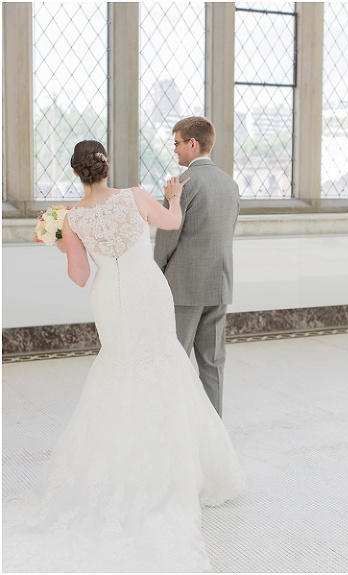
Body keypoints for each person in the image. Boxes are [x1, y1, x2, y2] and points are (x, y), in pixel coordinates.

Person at [2, 141, 245, 572]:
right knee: (163, 363)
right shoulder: (135, 195)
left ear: (77, 174)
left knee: (119, 369)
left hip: (108, 299)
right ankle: (179, 472)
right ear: (106, 166)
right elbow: (172, 221)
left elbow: (79, 277)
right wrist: (172, 198)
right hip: (148, 290)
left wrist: (62, 243)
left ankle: (121, 473)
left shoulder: (71, 218)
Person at [154, 116, 240, 417]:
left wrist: (156, 274)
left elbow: (167, 238)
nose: (175, 150)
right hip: (219, 284)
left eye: (177, 143)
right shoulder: (231, 184)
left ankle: (172, 426)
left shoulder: (183, 185)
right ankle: (214, 430)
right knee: (213, 362)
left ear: (193, 143)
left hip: (183, 288)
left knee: (173, 359)